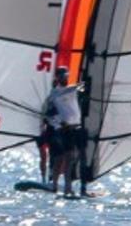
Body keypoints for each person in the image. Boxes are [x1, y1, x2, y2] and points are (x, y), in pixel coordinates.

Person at [44, 66, 83, 197]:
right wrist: (60, 123)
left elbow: (80, 87)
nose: (64, 78)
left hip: (75, 127)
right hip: (64, 130)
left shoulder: (71, 90)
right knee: (66, 158)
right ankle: (65, 187)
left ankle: (58, 185)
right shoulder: (55, 93)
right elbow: (50, 113)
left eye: (66, 76)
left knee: (65, 158)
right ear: (57, 78)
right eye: (62, 77)